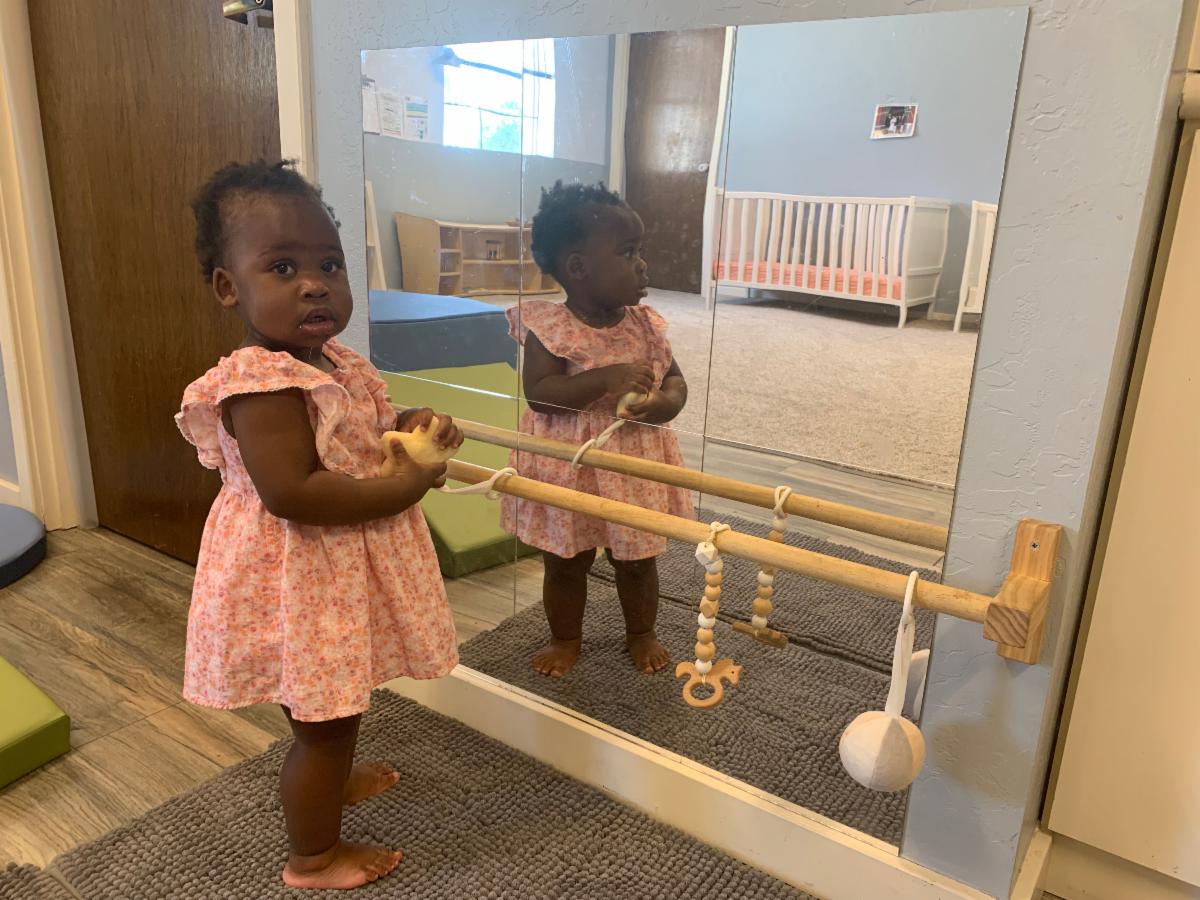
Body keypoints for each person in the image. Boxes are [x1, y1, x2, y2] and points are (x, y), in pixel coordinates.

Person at [175, 160, 463, 890]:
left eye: (329, 265)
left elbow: (363, 431)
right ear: (228, 287)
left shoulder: (336, 363)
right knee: (325, 726)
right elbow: (294, 491)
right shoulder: (261, 384)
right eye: (282, 268)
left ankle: (333, 777)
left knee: (329, 702)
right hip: (300, 568)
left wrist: (412, 426)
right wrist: (406, 485)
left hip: (329, 570)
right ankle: (313, 857)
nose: (314, 283)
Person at [500, 181, 694, 678]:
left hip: (632, 464)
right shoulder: (550, 327)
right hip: (571, 467)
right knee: (566, 561)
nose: (642, 264)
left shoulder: (646, 325)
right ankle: (565, 637)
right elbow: (540, 395)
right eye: (628, 253)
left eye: (640, 251)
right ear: (578, 267)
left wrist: (665, 403)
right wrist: (605, 380)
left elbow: (675, 380)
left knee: (638, 560)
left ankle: (641, 632)